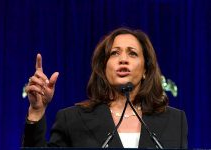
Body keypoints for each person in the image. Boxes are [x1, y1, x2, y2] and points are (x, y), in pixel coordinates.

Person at [23, 27, 188, 148]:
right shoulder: (72, 119)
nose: (123, 59)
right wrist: (36, 111)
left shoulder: (175, 120)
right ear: (103, 67)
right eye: (114, 53)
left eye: (132, 53)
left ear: (145, 70)